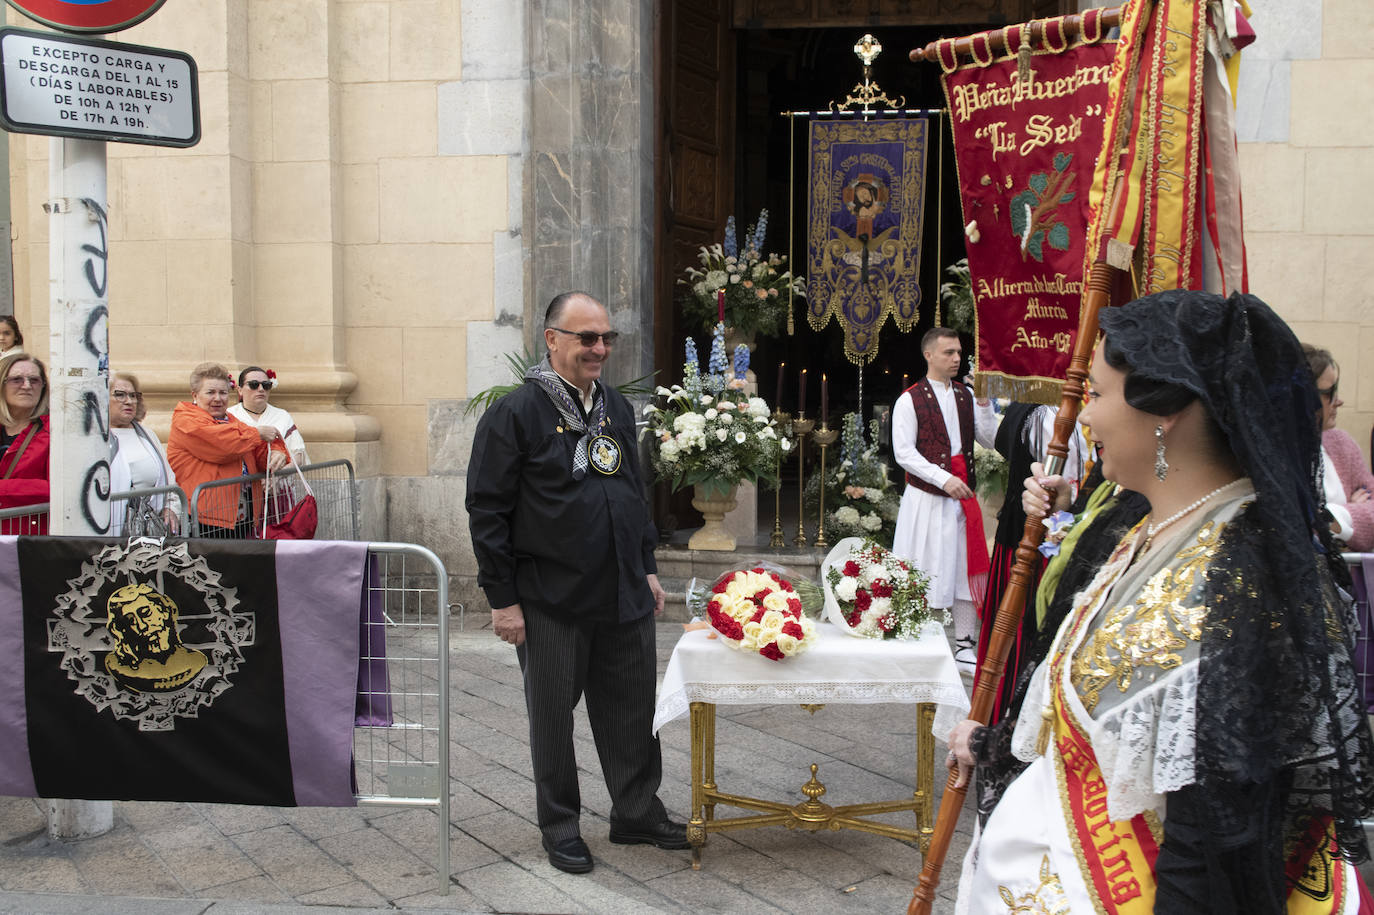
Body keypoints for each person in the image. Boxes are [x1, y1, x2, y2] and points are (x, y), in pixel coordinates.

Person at [946, 291, 1374, 913]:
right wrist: (992, 745)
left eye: (1096, 392)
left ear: (1165, 410)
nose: (1084, 418)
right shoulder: (1149, 524)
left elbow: (1216, 837)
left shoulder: (1248, 573)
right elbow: (1102, 733)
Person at [466, 291, 687, 875]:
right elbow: (487, 510)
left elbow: (632, 493)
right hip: (549, 598)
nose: (600, 349)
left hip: (621, 590)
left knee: (631, 709)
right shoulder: (516, 412)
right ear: (552, 338)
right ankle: (560, 825)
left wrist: (646, 569)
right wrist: (503, 601)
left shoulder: (616, 404)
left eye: (607, 338)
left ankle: (635, 810)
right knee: (553, 717)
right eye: (587, 338)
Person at [892, 327, 997, 673]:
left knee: (965, 568)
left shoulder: (966, 396)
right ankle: (916, 638)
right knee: (923, 563)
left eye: (958, 353)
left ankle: (965, 645)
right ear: (929, 355)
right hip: (926, 499)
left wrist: (983, 404)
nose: (956, 359)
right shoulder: (910, 399)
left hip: (961, 497)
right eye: (949, 352)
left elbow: (988, 439)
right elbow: (903, 453)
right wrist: (943, 478)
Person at [167, 362, 288, 537]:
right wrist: (257, 434)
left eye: (223, 393)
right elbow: (222, 445)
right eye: (210, 392)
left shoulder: (231, 420)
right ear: (195, 395)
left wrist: (277, 452)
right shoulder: (186, 421)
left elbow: (257, 449)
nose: (218, 398)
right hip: (205, 519)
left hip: (240, 515)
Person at [1305, 345, 1374, 552]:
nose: (1339, 401)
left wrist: (1331, 516)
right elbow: (1298, 526)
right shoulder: (1270, 455)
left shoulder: (1342, 444)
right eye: (1329, 392)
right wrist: (1350, 513)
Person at [108, 372, 182, 536]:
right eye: (120, 395)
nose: (129, 401)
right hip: (112, 530)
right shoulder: (95, 439)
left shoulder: (148, 435)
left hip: (151, 530)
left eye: (133, 395)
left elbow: (170, 482)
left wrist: (171, 509)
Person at [0, 352, 49, 533]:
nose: (26, 386)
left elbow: (60, 487)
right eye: (17, 380)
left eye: (34, 380)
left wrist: (4, 488)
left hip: (28, 540)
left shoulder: (54, 431)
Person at [228, 366, 309, 466]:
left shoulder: (282, 415)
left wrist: (279, 475)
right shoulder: (230, 415)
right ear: (240, 390)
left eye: (266, 385)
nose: (261, 389)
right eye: (254, 385)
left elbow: (298, 454)